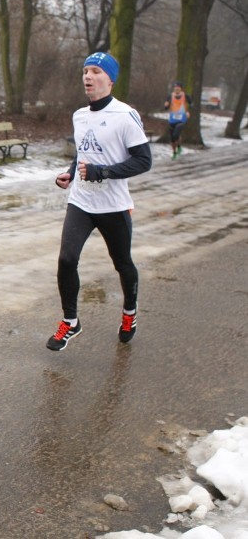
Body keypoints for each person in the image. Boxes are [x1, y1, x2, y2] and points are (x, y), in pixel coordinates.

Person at [47, 52, 152, 352]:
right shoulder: (79, 115)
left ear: (111, 79)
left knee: (122, 264)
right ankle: (71, 320)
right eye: (85, 71)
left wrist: (102, 172)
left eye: (95, 71)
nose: (88, 77)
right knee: (67, 259)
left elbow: (143, 161)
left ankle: (129, 313)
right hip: (81, 201)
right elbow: (83, 154)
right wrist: (70, 173)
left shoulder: (125, 115)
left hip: (113, 205)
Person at [164, 82, 192, 160]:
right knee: (173, 138)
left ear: (181, 88)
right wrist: (166, 105)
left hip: (182, 119)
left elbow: (191, 104)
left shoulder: (186, 96)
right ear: (174, 89)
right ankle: (175, 152)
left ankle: (178, 147)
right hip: (172, 119)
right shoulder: (170, 96)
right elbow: (166, 107)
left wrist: (188, 112)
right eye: (175, 88)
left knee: (176, 134)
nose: (177, 89)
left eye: (178, 88)